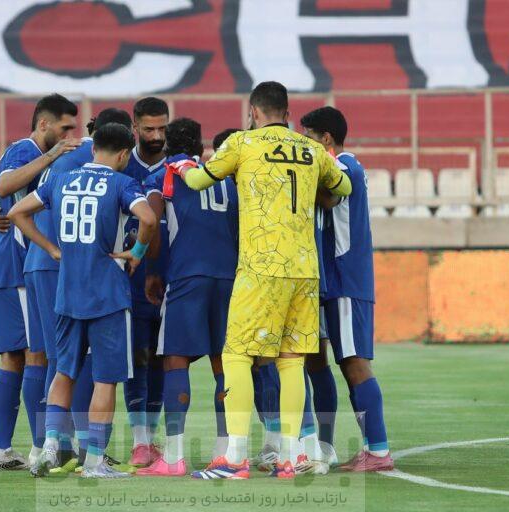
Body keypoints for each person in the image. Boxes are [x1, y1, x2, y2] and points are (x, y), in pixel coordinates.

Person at [168, 81, 351, 480]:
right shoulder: (311, 149)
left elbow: (198, 182)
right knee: (291, 361)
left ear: (253, 112)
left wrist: (182, 166)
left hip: (261, 267)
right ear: (288, 113)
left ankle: (234, 458)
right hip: (304, 269)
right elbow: (344, 186)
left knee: (236, 355)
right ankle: (291, 456)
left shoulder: (242, 142)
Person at [8, 123, 157, 479]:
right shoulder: (122, 183)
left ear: (93, 149)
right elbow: (149, 218)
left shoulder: (60, 180)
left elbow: (17, 212)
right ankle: (94, 462)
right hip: (107, 294)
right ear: (124, 154)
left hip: (68, 292)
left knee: (64, 371)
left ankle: (49, 448)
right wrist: (137, 252)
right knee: (105, 379)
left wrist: (50, 248)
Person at [135, 118, 239, 476]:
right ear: (201, 146)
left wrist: (150, 267)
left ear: (167, 145)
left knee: (175, 361)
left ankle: (174, 456)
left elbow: (151, 221)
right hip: (228, 277)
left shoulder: (164, 174)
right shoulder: (224, 178)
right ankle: (225, 451)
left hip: (187, 277)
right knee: (224, 365)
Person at [0, 93, 78, 470]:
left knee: (17, 357)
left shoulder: (38, 156)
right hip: (15, 263)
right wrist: (52, 155)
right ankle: (40, 447)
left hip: (10, 264)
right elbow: (5, 186)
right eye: (64, 127)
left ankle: (2, 451)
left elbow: (3, 201)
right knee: (32, 353)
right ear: (44, 124)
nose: (69, 135)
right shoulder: (25, 150)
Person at [301, 106, 394, 472]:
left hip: (345, 280)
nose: (304, 145)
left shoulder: (345, 166)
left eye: (308, 138)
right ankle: (333, 447)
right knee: (322, 361)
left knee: (355, 364)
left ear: (326, 138)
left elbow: (327, 198)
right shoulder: (342, 165)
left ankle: (379, 450)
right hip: (330, 280)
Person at [121, 97, 170, 466]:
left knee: (163, 360)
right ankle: (141, 441)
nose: (156, 135)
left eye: (162, 128)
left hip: (173, 280)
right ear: (134, 127)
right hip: (132, 281)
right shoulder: (122, 165)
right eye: (149, 129)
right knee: (137, 358)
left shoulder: (178, 167)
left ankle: (152, 437)